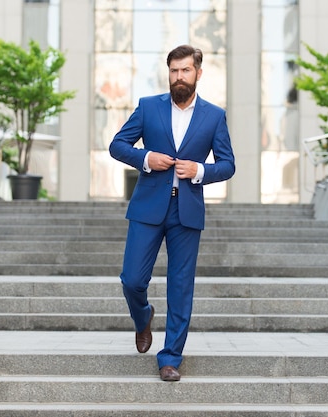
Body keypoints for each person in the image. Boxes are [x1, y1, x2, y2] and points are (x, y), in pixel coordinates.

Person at [109, 44, 235, 382]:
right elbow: (117, 145)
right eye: (174, 71)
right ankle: (143, 316)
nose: (179, 76)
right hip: (148, 206)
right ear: (168, 73)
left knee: (181, 287)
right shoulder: (148, 107)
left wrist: (199, 170)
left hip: (187, 211)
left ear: (198, 73)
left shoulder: (214, 116)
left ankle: (170, 358)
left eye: (186, 70)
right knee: (132, 279)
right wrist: (146, 159)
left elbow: (228, 165)